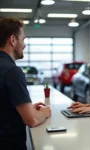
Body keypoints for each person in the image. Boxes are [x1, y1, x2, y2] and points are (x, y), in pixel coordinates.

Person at [0, 18, 51, 150]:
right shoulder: (12, 71)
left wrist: (26, 109)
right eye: (23, 39)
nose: (24, 45)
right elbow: (32, 120)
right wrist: (45, 112)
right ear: (13, 40)